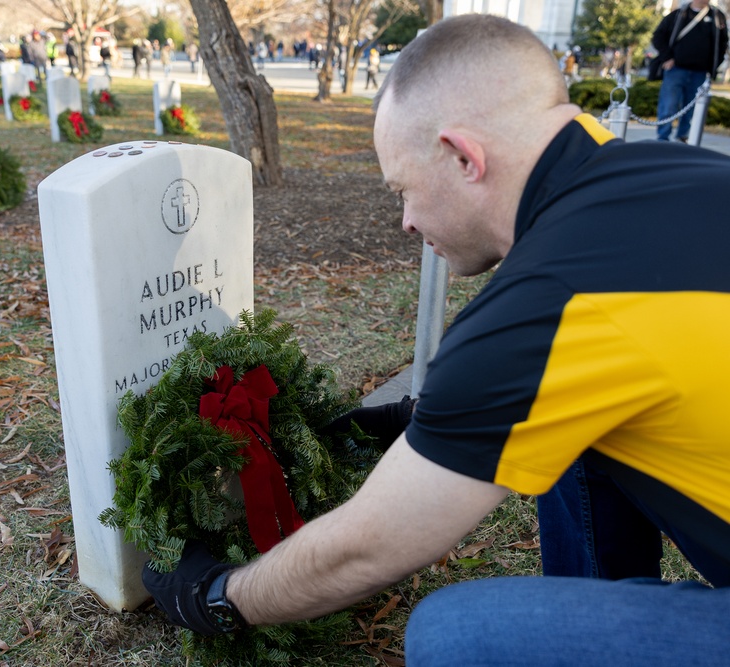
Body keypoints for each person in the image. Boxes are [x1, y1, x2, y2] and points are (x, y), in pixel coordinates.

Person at [141, 14, 730, 665]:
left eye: (403, 190)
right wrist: (426, 419)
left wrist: (218, 595)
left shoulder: (553, 301)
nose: (406, 220)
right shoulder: (675, 172)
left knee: (455, 636)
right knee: (563, 418)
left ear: (462, 157)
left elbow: (370, 545)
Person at [652, 0, 728, 141]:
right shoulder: (678, 14)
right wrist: (667, 57)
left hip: (700, 73)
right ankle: (662, 139)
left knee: (691, 109)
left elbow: (722, 43)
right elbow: (658, 36)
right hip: (676, 70)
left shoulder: (717, 16)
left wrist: (714, 66)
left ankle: (683, 138)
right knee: (668, 105)